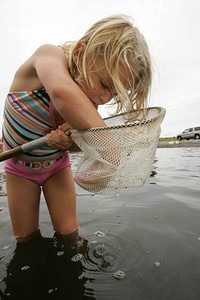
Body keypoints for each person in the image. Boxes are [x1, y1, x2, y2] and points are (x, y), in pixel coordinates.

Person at [2, 14, 152, 246]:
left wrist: (66, 142)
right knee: (25, 237)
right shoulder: (48, 56)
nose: (105, 97)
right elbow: (62, 92)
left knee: (69, 232)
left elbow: (77, 144)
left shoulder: (88, 107)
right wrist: (110, 149)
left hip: (56, 168)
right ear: (81, 53)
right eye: (104, 84)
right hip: (19, 169)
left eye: (114, 93)